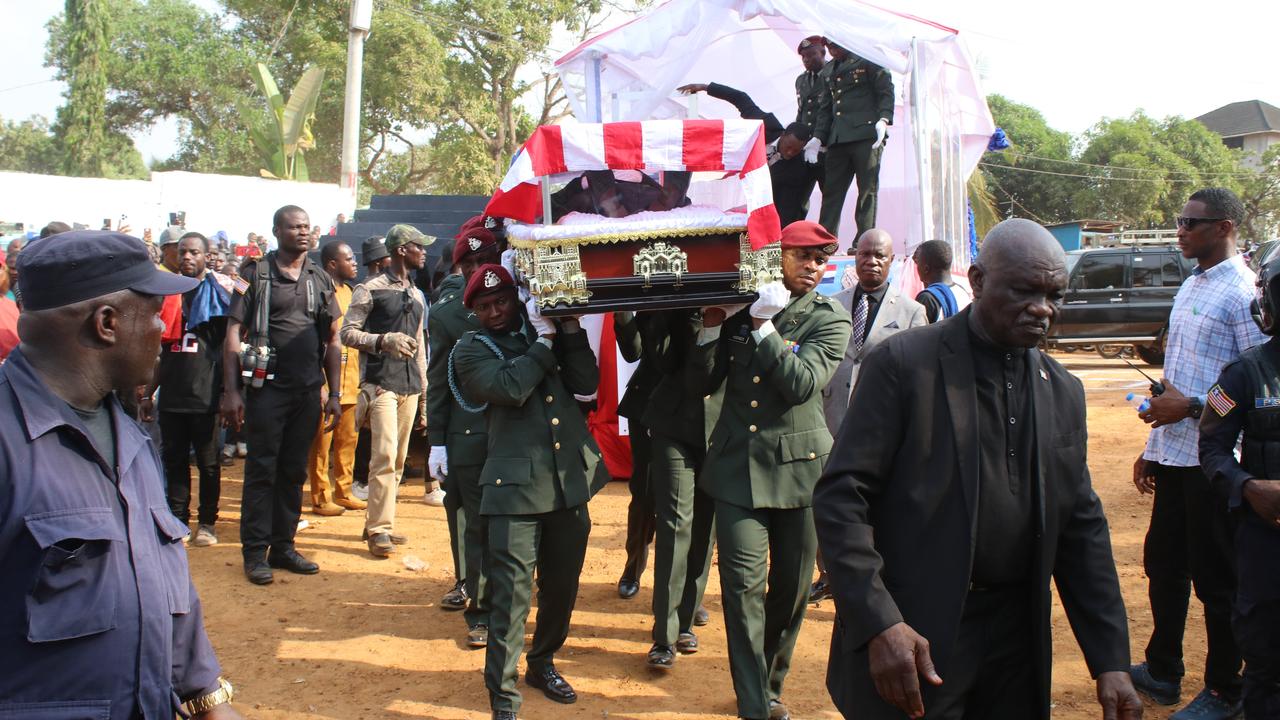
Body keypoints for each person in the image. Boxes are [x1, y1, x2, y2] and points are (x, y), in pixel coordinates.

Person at [814, 218, 1140, 720]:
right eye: (1025, 291)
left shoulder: (1062, 390)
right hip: (914, 635)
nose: (1042, 309)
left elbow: (1080, 527)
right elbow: (842, 497)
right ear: (979, 280)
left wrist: (1110, 660)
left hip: (1015, 639)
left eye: (1055, 295)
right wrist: (879, 623)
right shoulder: (905, 365)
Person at [0, 229, 242, 719]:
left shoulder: (129, 436)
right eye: (154, 313)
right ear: (106, 323)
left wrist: (205, 698)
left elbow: (162, 582)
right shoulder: (7, 441)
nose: (163, 328)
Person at [691, 220, 852, 720]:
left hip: (800, 472)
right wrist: (715, 324)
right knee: (741, 589)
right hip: (738, 468)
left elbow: (801, 383)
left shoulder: (830, 318)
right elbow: (701, 380)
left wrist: (762, 327)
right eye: (801, 256)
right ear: (774, 258)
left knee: (791, 588)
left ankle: (770, 680)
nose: (812, 266)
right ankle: (755, 703)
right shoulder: (740, 309)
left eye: (820, 259)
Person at [451, 265, 608, 720]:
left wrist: (570, 328)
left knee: (561, 588)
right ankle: (502, 694)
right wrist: (543, 343)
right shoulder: (471, 349)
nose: (496, 312)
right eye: (484, 306)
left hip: (566, 483)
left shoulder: (547, 331)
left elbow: (586, 385)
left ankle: (542, 662)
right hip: (514, 489)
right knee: (511, 595)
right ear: (474, 312)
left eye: (502, 302)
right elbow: (510, 387)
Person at [1132, 187, 1262, 718]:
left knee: (1216, 581)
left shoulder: (1244, 293)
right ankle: (1162, 670)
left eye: (1191, 222)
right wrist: (1152, 441)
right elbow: (1179, 381)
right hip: (1174, 455)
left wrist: (1187, 410)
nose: (1180, 229)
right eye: (1180, 221)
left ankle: (1225, 690)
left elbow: (1262, 384)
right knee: (1164, 565)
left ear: (1226, 226)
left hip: (1217, 463)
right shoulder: (1192, 286)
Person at [222, 205, 343, 585]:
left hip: (307, 391)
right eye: (294, 227)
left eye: (307, 227)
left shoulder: (320, 278)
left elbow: (334, 339)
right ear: (276, 231)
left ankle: (284, 547)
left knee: (292, 471)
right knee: (262, 471)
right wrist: (231, 392)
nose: (303, 232)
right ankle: (255, 552)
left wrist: (334, 392)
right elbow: (232, 333)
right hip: (265, 390)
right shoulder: (253, 275)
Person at [810, 228, 925, 603]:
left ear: (892, 261)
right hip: (831, 420)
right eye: (864, 255)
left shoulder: (912, 313)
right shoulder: (831, 304)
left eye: (879, 256)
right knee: (827, 501)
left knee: (874, 506)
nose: (871, 262)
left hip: (881, 430)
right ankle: (828, 575)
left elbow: (920, 377)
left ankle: (876, 581)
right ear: (853, 257)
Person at [1199, 257, 1280, 719]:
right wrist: (1248, 488)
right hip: (1265, 545)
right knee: (1265, 662)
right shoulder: (1241, 374)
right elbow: (1210, 447)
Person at [635, 308, 718, 670]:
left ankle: (685, 619)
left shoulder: (753, 297)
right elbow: (664, 359)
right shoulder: (675, 304)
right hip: (673, 423)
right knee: (673, 525)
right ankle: (664, 635)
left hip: (722, 426)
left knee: (704, 528)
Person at [339, 224, 428, 558]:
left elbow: (420, 346)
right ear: (402, 249)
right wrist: (382, 341)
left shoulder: (418, 295)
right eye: (420, 246)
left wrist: (424, 392)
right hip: (380, 385)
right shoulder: (369, 290)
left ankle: (377, 520)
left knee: (400, 460)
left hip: (410, 386)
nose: (425, 252)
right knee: (384, 457)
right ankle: (380, 529)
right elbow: (347, 334)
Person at [428, 227, 500, 629]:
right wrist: (437, 441)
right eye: (467, 264)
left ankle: (501, 588)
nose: (475, 269)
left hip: (511, 429)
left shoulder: (519, 299)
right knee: (473, 522)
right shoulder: (446, 313)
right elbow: (438, 380)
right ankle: (479, 606)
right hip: (468, 429)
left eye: (482, 260)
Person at [139, 231, 231, 548]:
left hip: (205, 396)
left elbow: (227, 350)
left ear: (207, 256)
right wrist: (149, 393)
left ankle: (207, 522)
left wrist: (226, 393)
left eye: (194, 252)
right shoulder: (166, 296)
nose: (188, 257)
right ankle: (178, 520)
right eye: (183, 252)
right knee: (174, 461)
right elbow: (159, 353)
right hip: (173, 396)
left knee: (208, 464)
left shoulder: (219, 294)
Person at [677, 82, 816, 225]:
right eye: (788, 147)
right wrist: (706, 87)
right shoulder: (766, 124)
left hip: (764, 195)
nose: (790, 153)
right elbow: (741, 99)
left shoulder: (797, 167)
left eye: (796, 150)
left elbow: (786, 205)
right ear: (783, 135)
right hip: (726, 156)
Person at [306, 242, 366, 516]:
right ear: (332, 263)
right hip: (327, 381)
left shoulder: (352, 293)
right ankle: (320, 496)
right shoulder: (319, 291)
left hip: (351, 378)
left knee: (347, 441)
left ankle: (344, 491)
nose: (354, 263)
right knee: (321, 443)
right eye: (349, 258)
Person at [811, 41, 895, 238]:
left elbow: (885, 91)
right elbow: (826, 108)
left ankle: (864, 239)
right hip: (838, 138)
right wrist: (818, 137)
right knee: (831, 193)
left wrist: (884, 118)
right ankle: (825, 240)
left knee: (867, 191)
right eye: (829, 46)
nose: (832, 51)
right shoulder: (829, 69)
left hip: (866, 135)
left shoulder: (868, 56)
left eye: (835, 46)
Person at [613, 310, 659, 602]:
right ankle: (632, 569)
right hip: (649, 405)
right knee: (644, 493)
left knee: (692, 503)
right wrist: (622, 312)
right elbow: (634, 352)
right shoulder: (650, 299)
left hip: (697, 405)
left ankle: (686, 594)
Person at [912, 239, 973, 323]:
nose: (917, 268)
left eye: (918, 264)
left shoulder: (927, 298)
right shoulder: (962, 292)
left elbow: (918, 333)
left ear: (926, 269)